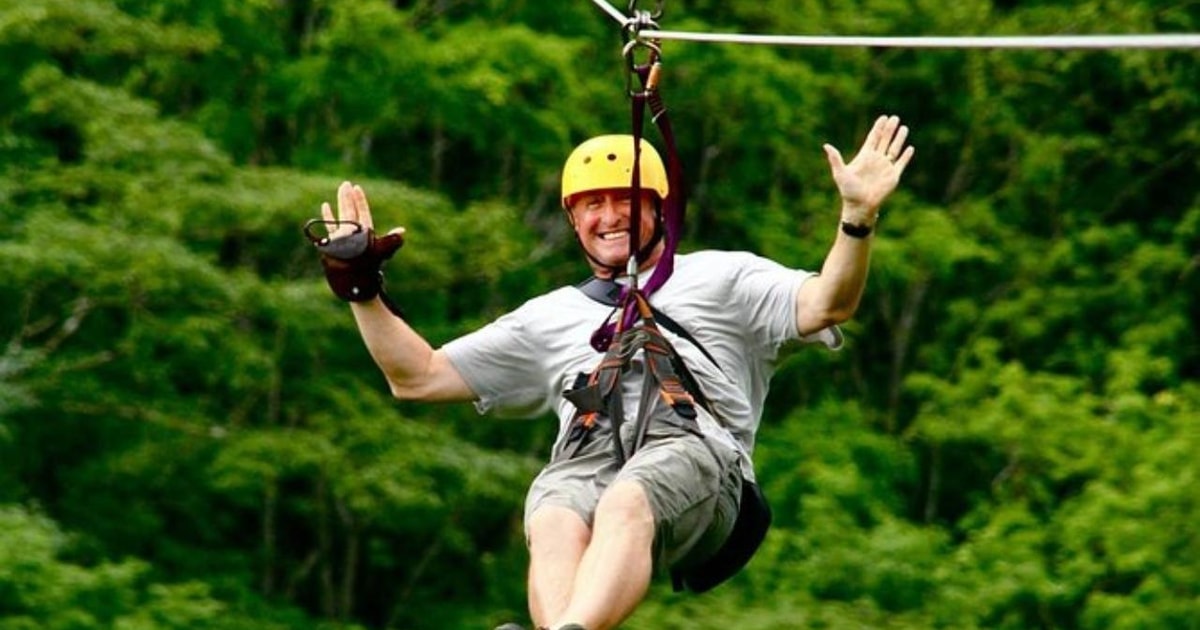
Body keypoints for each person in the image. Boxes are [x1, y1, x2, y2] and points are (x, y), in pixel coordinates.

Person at [312, 115, 914, 630]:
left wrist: (856, 219)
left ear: (658, 208)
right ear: (573, 221)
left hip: (701, 463)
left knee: (628, 497)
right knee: (552, 508)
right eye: (591, 205)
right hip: (588, 456)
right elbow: (417, 376)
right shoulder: (550, 316)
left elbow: (828, 302)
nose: (608, 216)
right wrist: (360, 287)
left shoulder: (724, 278)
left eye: (624, 199)